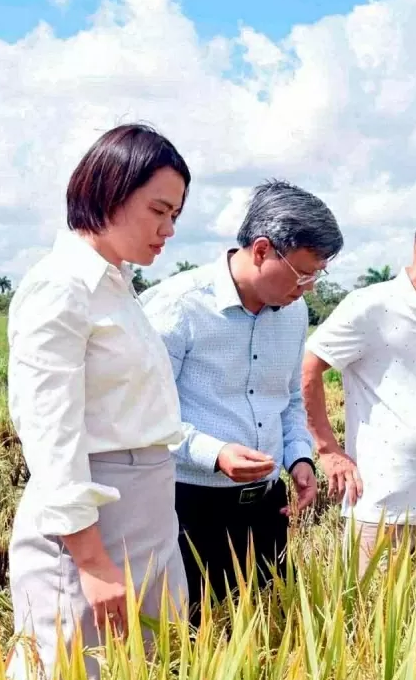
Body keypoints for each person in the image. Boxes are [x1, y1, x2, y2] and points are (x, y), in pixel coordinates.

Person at [5, 123, 191, 680]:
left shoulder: (117, 285)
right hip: (93, 511)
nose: (168, 229)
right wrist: (91, 560)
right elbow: (49, 434)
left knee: (136, 679)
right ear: (109, 192)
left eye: (175, 215)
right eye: (158, 210)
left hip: (147, 501)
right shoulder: (62, 286)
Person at [141, 181, 342, 620]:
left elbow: (289, 398)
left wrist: (299, 458)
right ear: (263, 250)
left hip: (266, 508)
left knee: (269, 630)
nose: (308, 287)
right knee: (187, 637)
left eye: (317, 275)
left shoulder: (294, 313)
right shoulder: (177, 308)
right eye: (303, 273)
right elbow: (143, 414)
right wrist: (214, 454)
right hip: (186, 507)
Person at [303, 208, 416, 577]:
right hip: (380, 499)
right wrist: (328, 450)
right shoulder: (370, 306)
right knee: (369, 605)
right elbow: (309, 368)